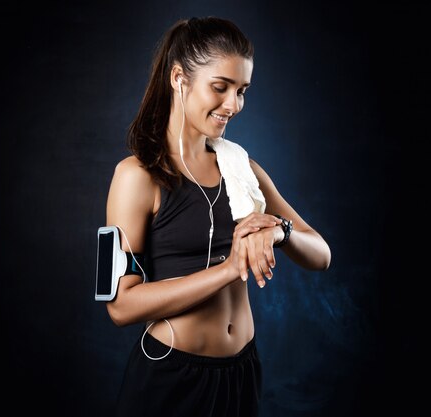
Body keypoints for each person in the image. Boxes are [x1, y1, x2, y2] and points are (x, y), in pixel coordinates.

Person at [104, 16, 331, 417]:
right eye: (220, 87)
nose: (233, 105)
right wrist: (231, 268)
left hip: (241, 374)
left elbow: (321, 254)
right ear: (179, 78)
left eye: (242, 91)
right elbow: (120, 306)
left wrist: (280, 231)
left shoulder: (242, 167)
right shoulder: (136, 176)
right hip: (171, 378)